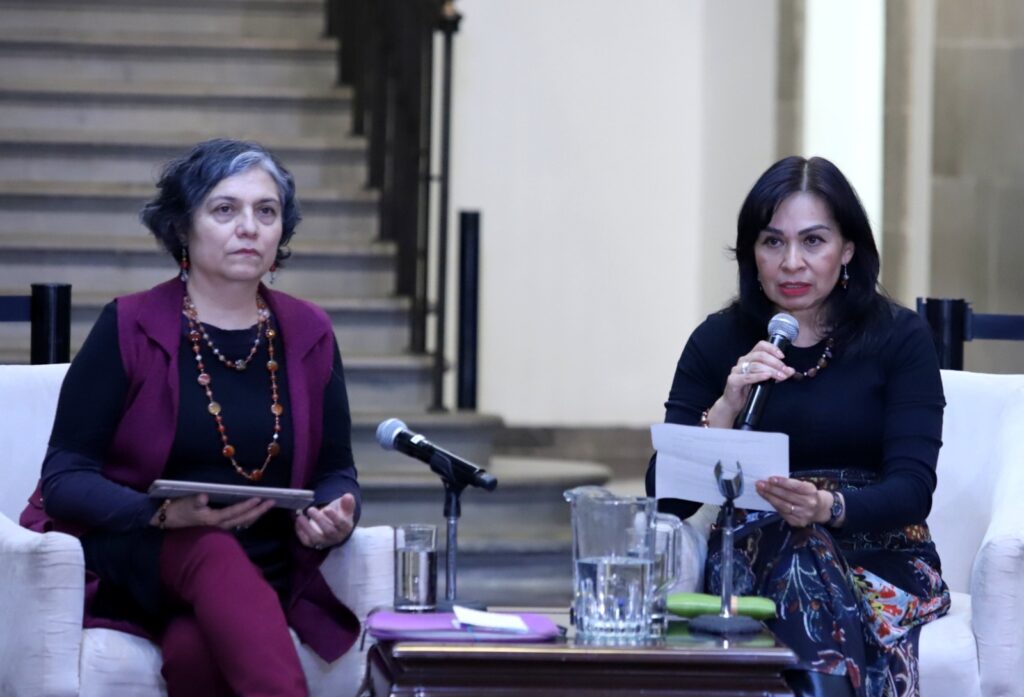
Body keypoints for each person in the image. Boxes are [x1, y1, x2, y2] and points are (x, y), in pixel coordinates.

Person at [20, 138, 361, 696]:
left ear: (282, 232)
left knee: (196, 654)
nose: (248, 226)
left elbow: (336, 470)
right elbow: (63, 478)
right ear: (183, 227)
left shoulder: (309, 333)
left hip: (264, 567)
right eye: (224, 209)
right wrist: (158, 515)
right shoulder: (130, 325)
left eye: (266, 211)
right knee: (208, 545)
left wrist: (338, 513)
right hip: (140, 555)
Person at [646, 156, 949, 697]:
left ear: (847, 250)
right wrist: (724, 410)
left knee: (800, 537)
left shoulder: (899, 338)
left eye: (813, 242)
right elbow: (664, 500)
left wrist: (824, 507)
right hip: (758, 553)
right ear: (752, 255)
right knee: (788, 536)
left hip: (877, 550)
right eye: (772, 242)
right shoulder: (717, 341)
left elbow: (913, 489)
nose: (792, 263)